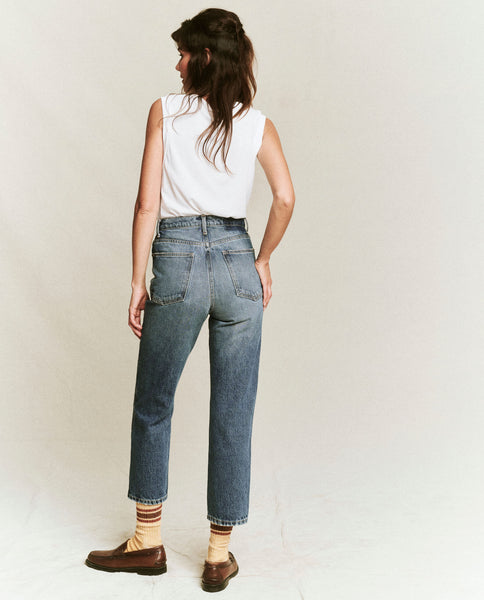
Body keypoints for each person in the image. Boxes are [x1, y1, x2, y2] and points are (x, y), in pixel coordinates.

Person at [85, 8, 295, 592]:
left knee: (154, 402)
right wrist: (261, 260)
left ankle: (146, 542)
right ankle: (218, 556)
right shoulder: (257, 123)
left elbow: (146, 205)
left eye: (182, 53)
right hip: (236, 260)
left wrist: (137, 281)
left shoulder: (165, 111)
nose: (176, 64)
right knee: (234, 410)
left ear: (202, 57)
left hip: (177, 260)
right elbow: (284, 197)